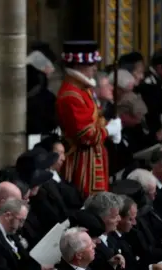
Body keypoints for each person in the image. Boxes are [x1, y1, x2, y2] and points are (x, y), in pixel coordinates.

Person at [55, 40, 122, 198]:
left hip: (93, 158)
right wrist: (108, 130)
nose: (94, 68)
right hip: (82, 163)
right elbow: (86, 135)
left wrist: (108, 125)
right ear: (79, 66)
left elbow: (95, 118)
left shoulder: (82, 89)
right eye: (91, 64)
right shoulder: (71, 95)